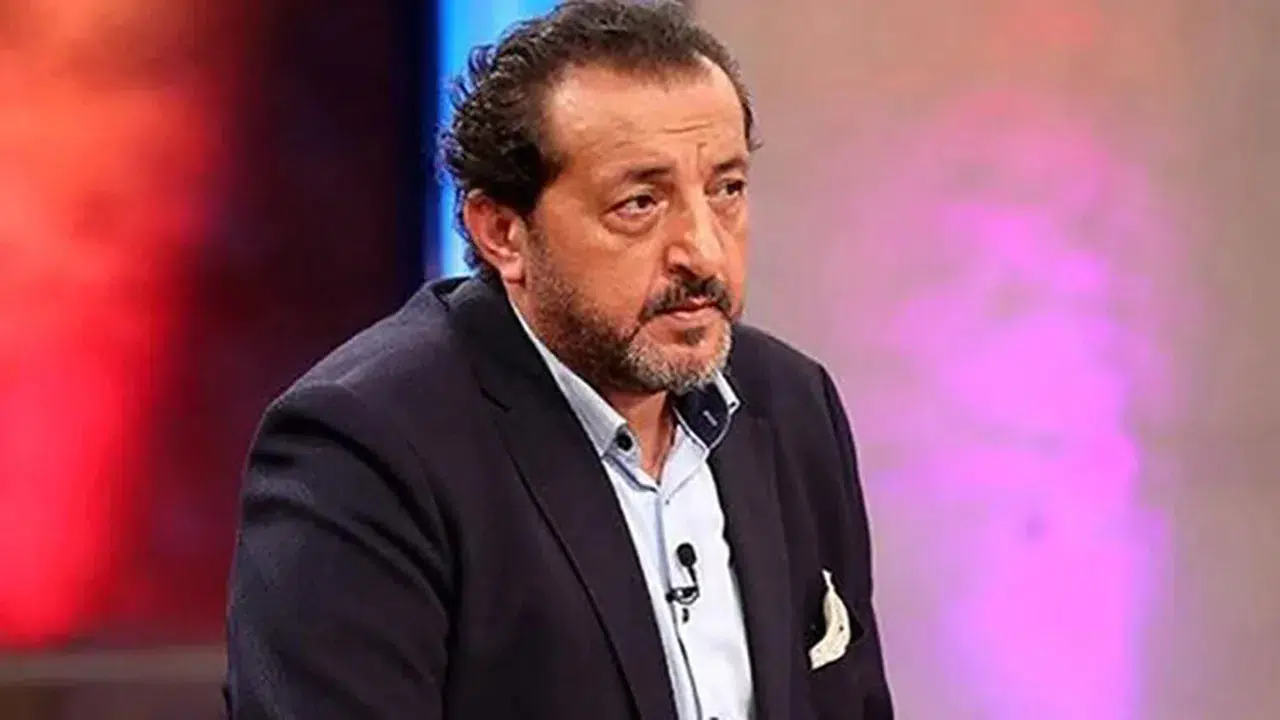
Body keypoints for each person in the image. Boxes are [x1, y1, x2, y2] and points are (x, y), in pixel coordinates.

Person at [223, 1, 893, 718]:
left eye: (726, 189)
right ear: (503, 233)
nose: (703, 251)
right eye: (640, 203)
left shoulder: (791, 405)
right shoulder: (365, 449)